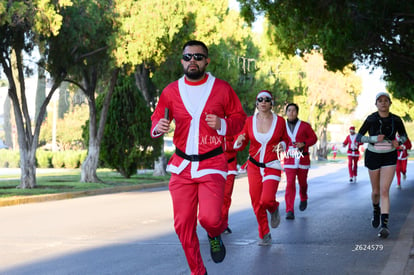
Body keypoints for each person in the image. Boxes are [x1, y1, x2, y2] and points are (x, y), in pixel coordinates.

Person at [150, 40, 246, 275]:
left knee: (211, 219)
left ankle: (215, 234)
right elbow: (156, 119)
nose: (192, 61)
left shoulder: (222, 88)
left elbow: (240, 118)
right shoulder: (171, 91)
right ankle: (198, 271)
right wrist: (158, 126)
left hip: (212, 163)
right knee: (183, 224)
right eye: (187, 57)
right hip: (181, 166)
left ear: (207, 61)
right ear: (182, 61)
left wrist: (223, 124)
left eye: (198, 57)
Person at [234, 90, 289, 246]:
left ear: (271, 103)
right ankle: (264, 233)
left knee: (266, 200)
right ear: (257, 103)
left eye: (267, 99)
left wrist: (282, 145)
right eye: (260, 99)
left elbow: (285, 139)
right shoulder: (249, 121)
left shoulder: (280, 121)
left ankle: (274, 208)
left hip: (272, 165)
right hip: (254, 166)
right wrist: (239, 141)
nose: (263, 102)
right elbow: (242, 142)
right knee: (256, 202)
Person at [356, 92, 408, 239]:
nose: (383, 103)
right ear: (376, 104)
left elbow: (404, 136)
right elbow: (359, 137)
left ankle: (384, 226)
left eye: (386, 100)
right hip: (373, 155)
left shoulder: (396, 119)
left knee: (385, 190)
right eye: (380, 101)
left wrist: (400, 142)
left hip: (389, 155)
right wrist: (373, 138)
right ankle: (375, 210)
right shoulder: (371, 118)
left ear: (390, 103)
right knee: (376, 192)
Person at [283, 103, 318, 220]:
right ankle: (289, 209)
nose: (291, 112)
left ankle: (303, 197)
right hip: (289, 159)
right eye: (289, 110)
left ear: (297, 113)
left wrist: (304, 143)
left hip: (303, 158)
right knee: (290, 183)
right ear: (286, 112)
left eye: (293, 110)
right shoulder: (282, 126)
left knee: (302, 183)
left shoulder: (305, 126)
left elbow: (314, 138)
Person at [221, 135, 239, 234]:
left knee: (226, 197)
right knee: (212, 197)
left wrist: (221, 144)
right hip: (212, 166)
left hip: (229, 167)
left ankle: (223, 224)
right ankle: (213, 222)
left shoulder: (233, 122)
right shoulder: (210, 121)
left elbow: (237, 144)